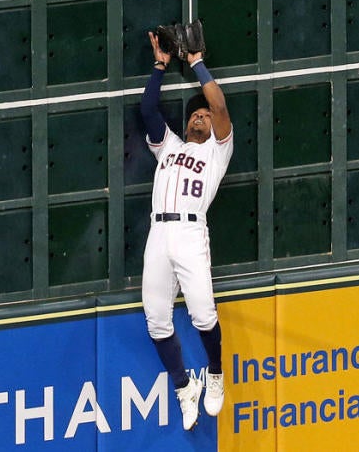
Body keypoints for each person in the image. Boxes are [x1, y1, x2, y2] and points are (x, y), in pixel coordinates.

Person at [140, 29, 233, 430]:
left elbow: (220, 104)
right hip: (158, 235)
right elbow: (147, 110)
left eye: (204, 115)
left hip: (192, 233)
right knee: (157, 320)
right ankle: (184, 386)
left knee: (203, 315)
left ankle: (214, 373)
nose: (200, 115)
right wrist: (161, 67)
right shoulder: (171, 146)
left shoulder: (217, 151)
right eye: (195, 114)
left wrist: (195, 62)